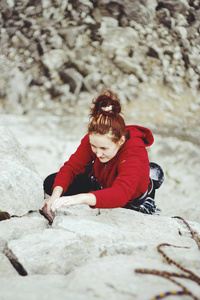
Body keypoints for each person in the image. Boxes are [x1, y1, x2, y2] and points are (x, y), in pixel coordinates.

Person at [42, 90, 164, 223]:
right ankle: (99, 185)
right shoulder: (94, 139)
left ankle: (148, 180)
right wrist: (55, 196)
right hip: (101, 178)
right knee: (51, 183)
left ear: (121, 141)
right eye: (94, 146)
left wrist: (80, 198)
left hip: (129, 195)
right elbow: (71, 167)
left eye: (104, 148)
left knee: (117, 197)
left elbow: (121, 194)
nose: (98, 153)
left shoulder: (135, 153)